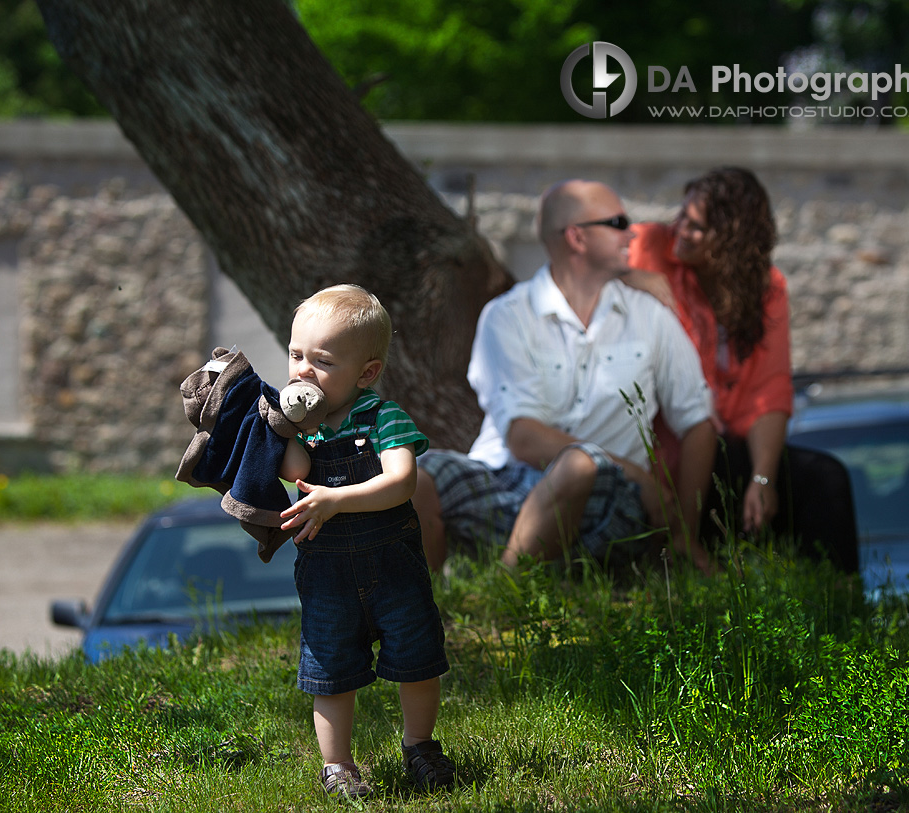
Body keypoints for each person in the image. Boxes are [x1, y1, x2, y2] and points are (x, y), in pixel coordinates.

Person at [414, 179, 717, 575]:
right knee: (413, 475)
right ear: (577, 237)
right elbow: (523, 438)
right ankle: (428, 612)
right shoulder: (508, 315)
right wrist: (639, 475)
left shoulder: (650, 316)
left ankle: (505, 592)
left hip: (606, 502)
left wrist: (684, 534)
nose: (633, 232)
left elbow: (698, 422)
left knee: (580, 465)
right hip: (506, 486)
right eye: (619, 222)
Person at [626, 167, 858, 573]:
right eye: (681, 215)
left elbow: (769, 388)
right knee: (702, 446)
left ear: (732, 238)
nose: (679, 229)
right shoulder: (648, 245)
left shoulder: (768, 288)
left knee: (824, 479)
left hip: (723, 448)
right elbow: (581, 263)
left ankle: (836, 608)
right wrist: (626, 276)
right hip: (662, 444)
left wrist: (763, 480)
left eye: (696, 227)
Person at [277, 284, 454, 799]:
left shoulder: (383, 417)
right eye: (295, 355)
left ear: (367, 373)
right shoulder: (304, 431)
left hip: (393, 567)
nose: (303, 371)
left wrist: (337, 499)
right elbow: (294, 470)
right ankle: (337, 766)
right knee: (330, 669)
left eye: (322, 361)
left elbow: (402, 482)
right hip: (328, 576)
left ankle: (420, 745)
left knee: (417, 658)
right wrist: (284, 427)